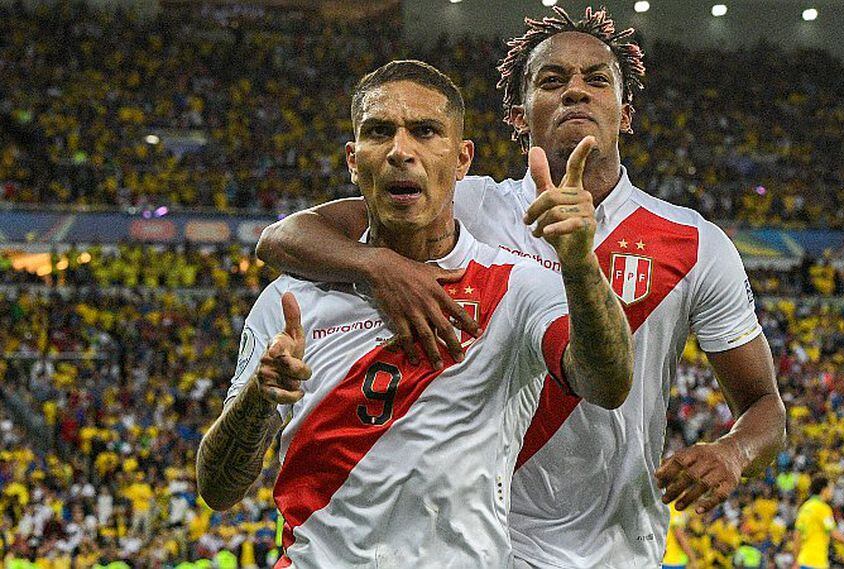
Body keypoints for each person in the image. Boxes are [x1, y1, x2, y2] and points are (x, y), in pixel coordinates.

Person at [255, 7, 786, 567]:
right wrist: (381, 266)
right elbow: (282, 238)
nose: (576, 91)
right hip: (479, 545)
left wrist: (733, 451)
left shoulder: (694, 243)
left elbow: (765, 406)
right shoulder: (464, 204)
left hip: (614, 548)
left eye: (597, 79)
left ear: (625, 111)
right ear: (519, 113)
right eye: (552, 80)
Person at [197, 60, 633, 567]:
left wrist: (580, 263)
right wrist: (259, 395)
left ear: (463, 159)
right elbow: (218, 488)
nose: (401, 151)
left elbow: (606, 385)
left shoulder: (517, 286)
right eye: (379, 132)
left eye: (425, 131)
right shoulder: (293, 299)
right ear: (353, 160)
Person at [792, 476, 844, 569]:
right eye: (831, 488)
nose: (832, 492)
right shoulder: (823, 508)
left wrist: (796, 561)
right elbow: (835, 534)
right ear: (824, 490)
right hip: (817, 562)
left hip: (803, 561)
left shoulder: (804, 507)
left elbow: (797, 536)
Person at [662, 501, 698, 569]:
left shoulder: (665, 505)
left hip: (663, 559)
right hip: (673, 561)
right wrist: (693, 558)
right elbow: (679, 536)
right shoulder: (675, 508)